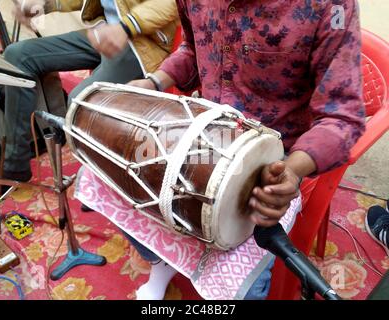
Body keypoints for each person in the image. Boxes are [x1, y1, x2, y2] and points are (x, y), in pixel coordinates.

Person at [77, 0, 366, 300]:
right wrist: (155, 82)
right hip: (203, 126)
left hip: (277, 155)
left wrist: (291, 171)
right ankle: (160, 262)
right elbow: (193, 49)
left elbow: (341, 116)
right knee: (109, 176)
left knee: (242, 285)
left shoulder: (332, 6)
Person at [0, 0, 179, 197]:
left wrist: (125, 27)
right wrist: (46, 5)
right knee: (18, 55)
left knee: (79, 103)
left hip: (142, 43)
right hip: (105, 31)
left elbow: (173, 4)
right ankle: (15, 164)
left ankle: (110, 186)